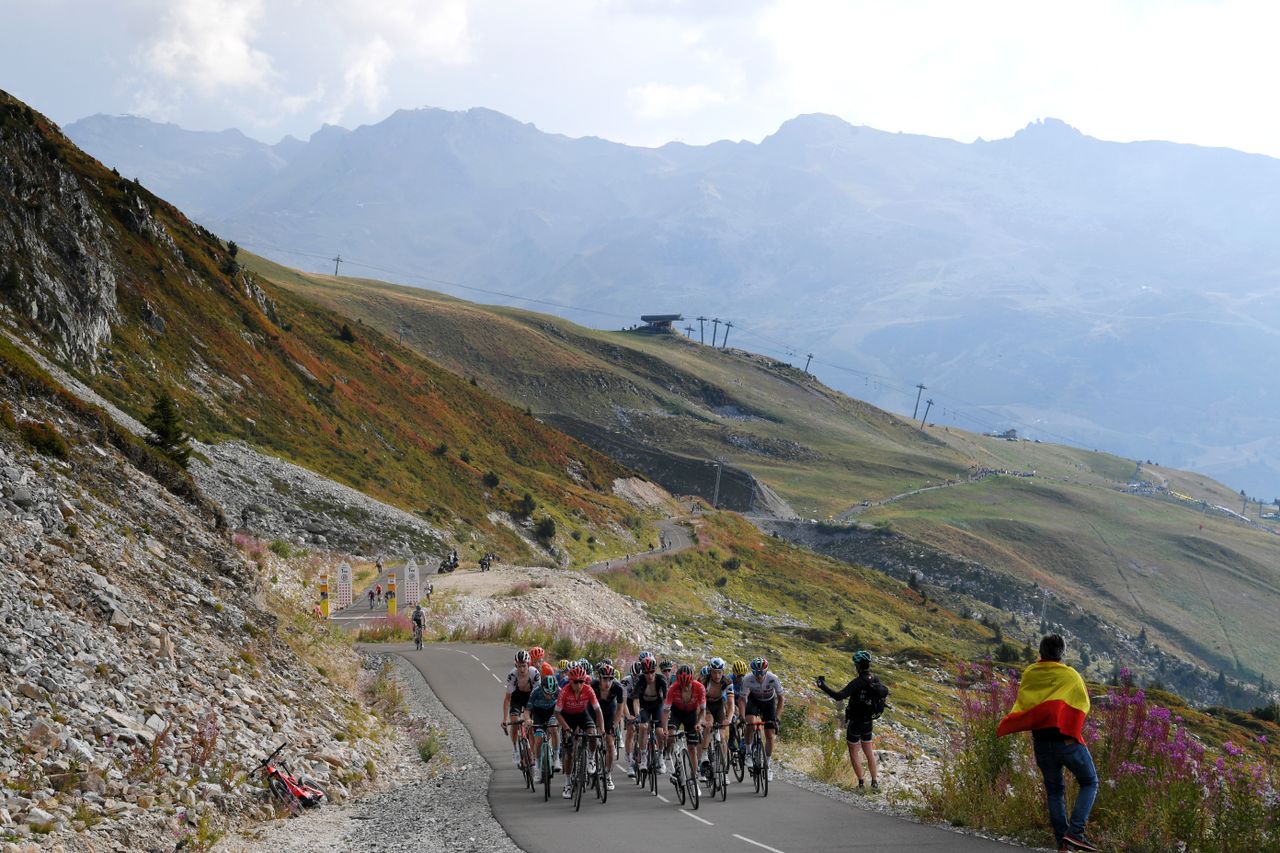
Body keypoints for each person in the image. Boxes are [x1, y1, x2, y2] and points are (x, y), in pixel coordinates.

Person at [998, 634, 1099, 853]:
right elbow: (1082, 704)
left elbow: (1026, 703)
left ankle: (1062, 842)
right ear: (1062, 653)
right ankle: (1075, 833)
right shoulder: (1070, 675)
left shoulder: (1031, 673)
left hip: (1042, 743)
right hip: (1066, 741)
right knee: (1090, 781)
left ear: (1041, 652)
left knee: (1054, 790)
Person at [816, 649, 887, 789]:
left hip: (855, 722)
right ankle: (874, 783)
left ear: (858, 666)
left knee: (853, 752)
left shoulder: (857, 682)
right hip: (868, 721)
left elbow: (839, 696)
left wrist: (822, 686)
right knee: (869, 751)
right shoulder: (876, 680)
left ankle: (860, 783)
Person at [554, 665, 604, 799]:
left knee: (593, 733)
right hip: (567, 717)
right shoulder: (564, 691)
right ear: (570, 681)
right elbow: (557, 713)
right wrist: (565, 727)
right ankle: (568, 783)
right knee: (569, 753)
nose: (579, 684)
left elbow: (598, 710)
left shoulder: (588, 689)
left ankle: (591, 758)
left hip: (582, 715)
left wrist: (602, 728)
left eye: (582, 681)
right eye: (576, 681)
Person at [737, 657, 784, 782]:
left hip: (769, 703)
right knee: (750, 723)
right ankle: (748, 752)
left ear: (766, 671)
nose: (759, 676)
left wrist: (777, 718)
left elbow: (781, 699)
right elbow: (742, 699)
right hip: (754, 701)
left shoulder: (773, 678)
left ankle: (767, 766)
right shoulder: (747, 679)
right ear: (752, 672)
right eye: (756, 673)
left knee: (769, 735)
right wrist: (742, 717)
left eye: (762, 673)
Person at [662, 664, 706, 785]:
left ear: (692, 681)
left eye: (688, 685)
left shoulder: (700, 687)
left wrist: (698, 723)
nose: (685, 688)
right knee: (671, 734)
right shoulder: (673, 688)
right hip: (676, 712)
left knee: (692, 747)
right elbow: (666, 711)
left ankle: (694, 777)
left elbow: (702, 710)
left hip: (691, 714)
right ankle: (668, 754)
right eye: (683, 685)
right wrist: (665, 729)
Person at [628, 656, 669, 774]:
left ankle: (660, 756)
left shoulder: (661, 679)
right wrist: (637, 715)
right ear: (643, 673)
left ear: (655, 670)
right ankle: (643, 756)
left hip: (658, 705)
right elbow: (635, 700)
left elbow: (666, 700)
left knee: (660, 732)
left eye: (652, 672)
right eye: (646, 673)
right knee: (643, 726)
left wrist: (667, 716)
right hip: (644, 705)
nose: (650, 676)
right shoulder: (640, 679)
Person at [591, 663, 627, 790]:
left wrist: (615, 726)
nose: (608, 682)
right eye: (605, 679)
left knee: (610, 744)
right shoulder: (592, 686)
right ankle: (589, 758)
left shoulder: (617, 688)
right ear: (599, 678)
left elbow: (619, 709)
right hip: (593, 710)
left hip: (609, 711)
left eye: (610, 679)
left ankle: (607, 774)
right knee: (591, 735)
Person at [501, 650, 540, 767]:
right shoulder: (512, 675)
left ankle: (532, 755)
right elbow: (508, 698)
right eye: (519, 666)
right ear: (515, 665)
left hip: (531, 697)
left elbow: (538, 696)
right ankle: (516, 749)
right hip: (517, 698)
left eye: (524, 666)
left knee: (531, 727)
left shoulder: (534, 673)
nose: (522, 669)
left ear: (528, 664)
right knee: (514, 722)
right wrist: (504, 718)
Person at [699, 658, 735, 780]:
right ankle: (704, 754)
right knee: (709, 724)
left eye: (720, 672)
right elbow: (699, 703)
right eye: (714, 672)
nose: (717, 675)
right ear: (710, 671)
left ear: (723, 671)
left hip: (719, 705)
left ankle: (724, 769)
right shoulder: (703, 681)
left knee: (722, 735)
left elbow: (731, 703)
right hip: (706, 705)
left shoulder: (727, 681)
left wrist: (728, 719)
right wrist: (702, 719)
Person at [526, 672, 561, 782]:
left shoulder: (559, 691)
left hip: (552, 712)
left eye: (552, 694)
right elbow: (527, 711)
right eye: (547, 693)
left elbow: (564, 708)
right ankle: (537, 765)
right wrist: (527, 719)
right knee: (539, 739)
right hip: (538, 714)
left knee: (553, 728)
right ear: (542, 688)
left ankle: (556, 757)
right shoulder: (536, 692)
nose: (550, 696)